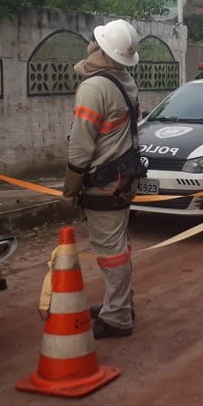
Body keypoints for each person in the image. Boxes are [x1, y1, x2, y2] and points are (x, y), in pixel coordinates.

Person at [60, 19, 143, 338]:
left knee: (111, 250)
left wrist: (69, 191)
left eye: (95, 42)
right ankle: (119, 303)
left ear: (100, 49)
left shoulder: (95, 87)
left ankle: (118, 316)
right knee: (118, 245)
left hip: (104, 181)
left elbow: (81, 146)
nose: (90, 45)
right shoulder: (124, 80)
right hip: (123, 176)